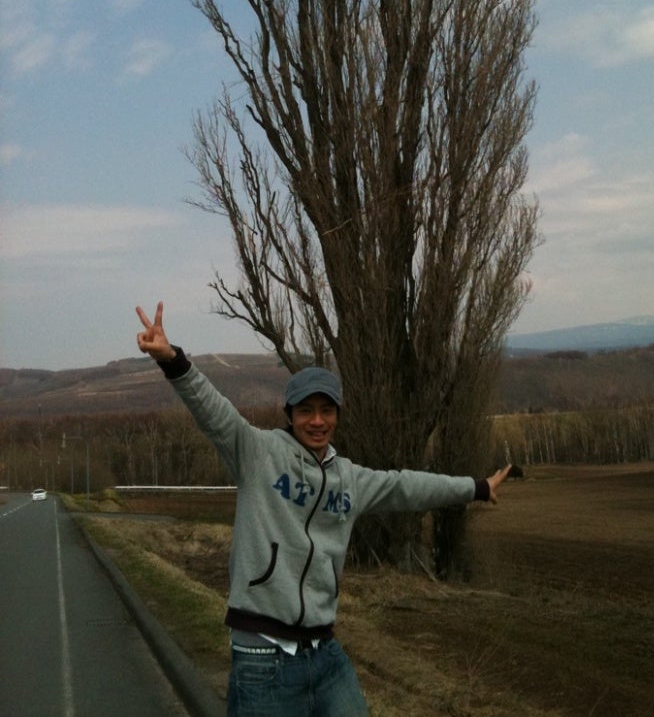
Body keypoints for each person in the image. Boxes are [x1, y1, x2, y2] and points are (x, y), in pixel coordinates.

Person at [136, 301, 510, 717]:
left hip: (324, 653)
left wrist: (476, 487)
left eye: (326, 410)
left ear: (337, 416)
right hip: (264, 655)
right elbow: (213, 411)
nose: (317, 421)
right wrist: (172, 361)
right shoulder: (258, 454)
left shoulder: (349, 479)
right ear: (291, 415)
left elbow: (409, 486)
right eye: (306, 411)